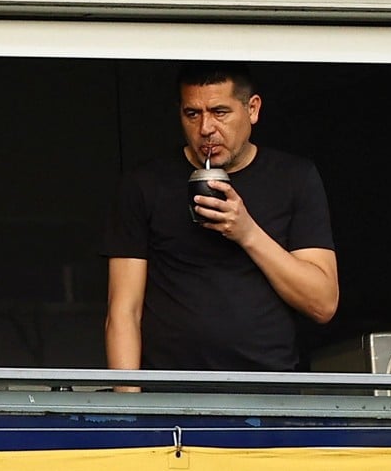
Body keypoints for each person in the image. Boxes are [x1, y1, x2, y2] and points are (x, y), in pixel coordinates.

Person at [101, 61, 338, 390]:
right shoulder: (145, 185)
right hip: (170, 393)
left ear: (252, 109)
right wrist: (129, 408)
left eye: (220, 112)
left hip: (268, 391)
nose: (206, 129)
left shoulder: (294, 178)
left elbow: (323, 303)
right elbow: (124, 311)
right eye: (192, 114)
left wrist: (247, 233)